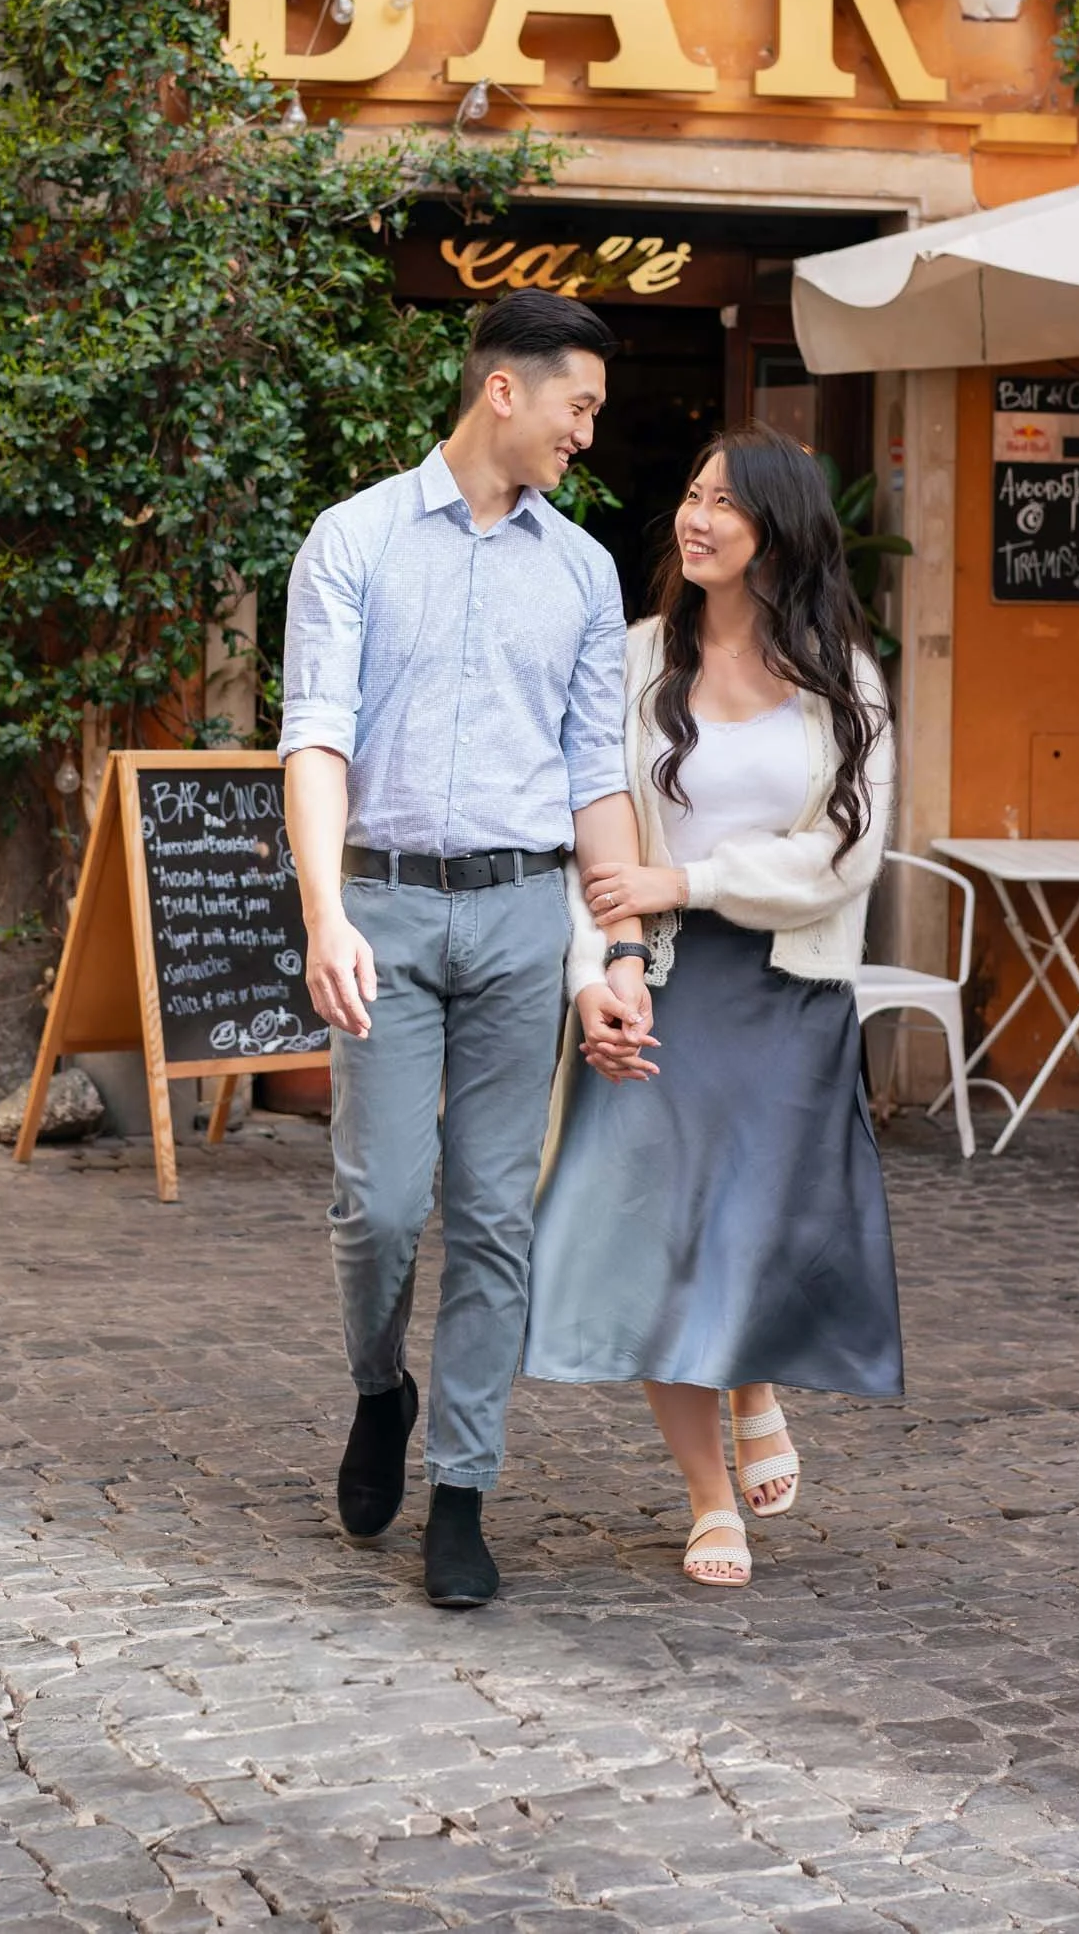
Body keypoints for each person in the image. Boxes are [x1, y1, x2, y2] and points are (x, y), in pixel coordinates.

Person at [279, 289, 653, 1609]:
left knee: (496, 1214)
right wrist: (324, 911)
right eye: (578, 406)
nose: (585, 434)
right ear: (505, 388)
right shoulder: (355, 541)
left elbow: (593, 779)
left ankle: (462, 1489)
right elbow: (314, 740)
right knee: (379, 1203)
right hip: (380, 901)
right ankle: (380, 1388)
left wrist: (615, 951)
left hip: (517, 913)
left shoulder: (583, 572)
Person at [524, 426, 902, 1587]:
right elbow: (584, 842)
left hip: (782, 995)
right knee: (650, 1238)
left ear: (775, 531)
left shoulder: (844, 679)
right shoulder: (633, 662)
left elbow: (845, 855)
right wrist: (598, 968)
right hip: (658, 984)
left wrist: (686, 877)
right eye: (690, 495)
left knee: (747, 1232)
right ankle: (705, 1500)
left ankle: (751, 1381)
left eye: (723, 505)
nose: (694, 519)